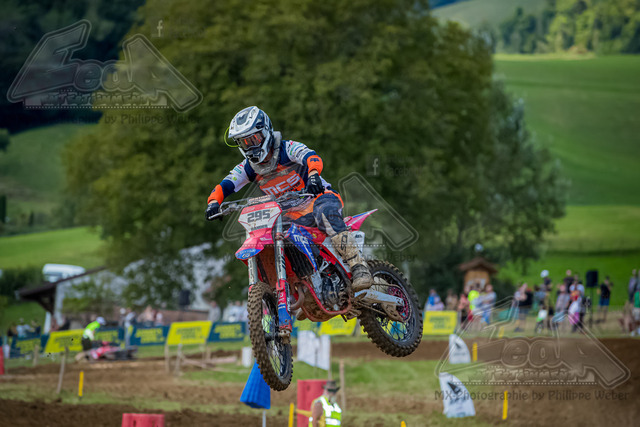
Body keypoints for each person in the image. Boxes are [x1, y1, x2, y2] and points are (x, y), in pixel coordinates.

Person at [205, 107, 372, 293]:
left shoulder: (287, 149)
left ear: (266, 132)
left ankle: (359, 267)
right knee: (274, 235)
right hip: (292, 213)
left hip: (319, 198)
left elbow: (311, 157)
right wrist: (213, 203)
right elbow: (226, 184)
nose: (250, 146)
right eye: (244, 142)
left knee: (325, 214)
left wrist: (314, 175)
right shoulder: (248, 167)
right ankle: (304, 284)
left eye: (253, 139)